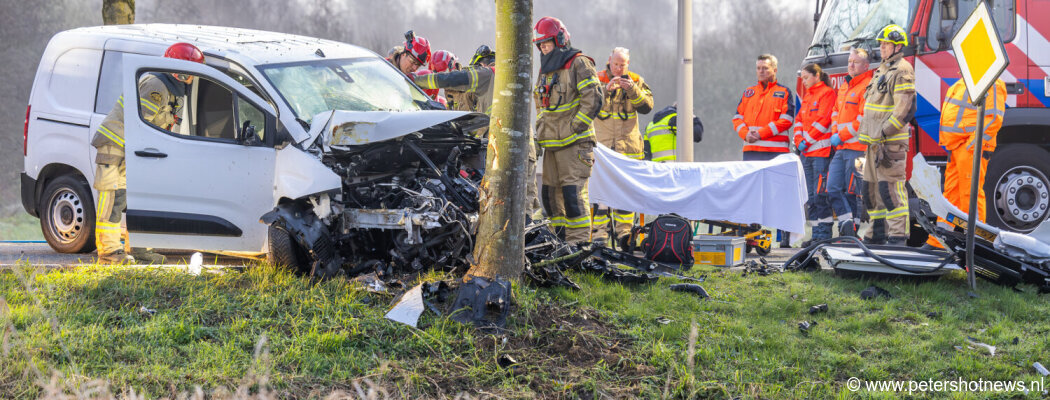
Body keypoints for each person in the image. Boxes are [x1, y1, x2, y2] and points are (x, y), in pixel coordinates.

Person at [92, 43, 205, 264]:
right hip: (115, 145)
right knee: (113, 200)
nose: (193, 79)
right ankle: (109, 254)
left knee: (137, 199)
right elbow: (141, 125)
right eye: (191, 73)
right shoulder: (157, 86)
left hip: (130, 147)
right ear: (180, 72)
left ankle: (140, 249)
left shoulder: (170, 91)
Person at [412, 45, 542, 218]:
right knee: (520, 204)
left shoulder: (488, 74)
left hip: (509, 149)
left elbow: (454, 79)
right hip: (520, 148)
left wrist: (415, 80)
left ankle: (525, 239)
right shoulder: (504, 80)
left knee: (512, 207)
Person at [532, 16, 602, 243]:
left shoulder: (579, 63)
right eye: (540, 45)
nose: (543, 48)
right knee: (550, 197)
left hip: (575, 144)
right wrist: (542, 131)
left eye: (547, 43)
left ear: (560, 39)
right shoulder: (546, 70)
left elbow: (594, 99)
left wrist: (574, 127)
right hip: (552, 144)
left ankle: (579, 246)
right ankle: (558, 244)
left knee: (573, 196)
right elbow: (540, 103)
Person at [925, 78, 1007, 248]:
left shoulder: (990, 81)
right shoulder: (966, 81)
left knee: (971, 195)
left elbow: (993, 119)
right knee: (951, 196)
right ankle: (940, 242)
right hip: (957, 146)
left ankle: (977, 244)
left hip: (969, 146)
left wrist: (972, 145)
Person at [858, 24, 916, 246]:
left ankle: (897, 237)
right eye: (880, 44)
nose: (881, 48)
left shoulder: (902, 70)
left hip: (889, 143)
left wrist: (883, 133)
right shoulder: (882, 69)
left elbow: (903, 110)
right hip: (874, 143)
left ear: (897, 46)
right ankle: (876, 234)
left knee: (890, 191)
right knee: (872, 190)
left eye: (886, 44)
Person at [590, 47, 654, 247]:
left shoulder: (636, 80)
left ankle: (624, 236)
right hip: (603, 148)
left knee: (625, 194)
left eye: (622, 64)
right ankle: (600, 235)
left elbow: (647, 107)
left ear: (628, 64)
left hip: (628, 148)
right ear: (609, 60)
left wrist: (631, 89)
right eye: (615, 64)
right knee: (601, 193)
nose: (618, 68)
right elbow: (587, 104)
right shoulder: (597, 78)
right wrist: (605, 90)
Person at [828, 48, 874, 237]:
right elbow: (835, 113)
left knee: (853, 192)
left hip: (859, 149)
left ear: (865, 66)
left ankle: (850, 233)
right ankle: (847, 224)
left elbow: (863, 119)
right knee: (832, 187)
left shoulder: (868, 86)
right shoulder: (845, 86)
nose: (851, 65)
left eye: (855, 62)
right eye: (849, 61)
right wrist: (834, 133)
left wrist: (842, 134)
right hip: (842, 148)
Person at [794, 63, 837, 244]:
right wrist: (797, 139)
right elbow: (799, 120)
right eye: (802, 78)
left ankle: (824, 234)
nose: (803, 81)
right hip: (807, 154)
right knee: (810, 196)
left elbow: (823, 121)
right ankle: (815, 234)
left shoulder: (827, 93)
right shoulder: (807, 96)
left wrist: (806, 140)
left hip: (820, 152)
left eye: (806, 77)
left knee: (820, 194)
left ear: (816, 76)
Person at [733, 54, 795, 161]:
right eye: (758, 68)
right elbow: (737, 119)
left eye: (765, 68)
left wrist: (760, 134)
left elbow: (786, 121)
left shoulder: (784, 92)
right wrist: (745, 134)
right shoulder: (749, 92)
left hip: (776, 152)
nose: (761, 71)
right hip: (751, 151)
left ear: (775, 70)